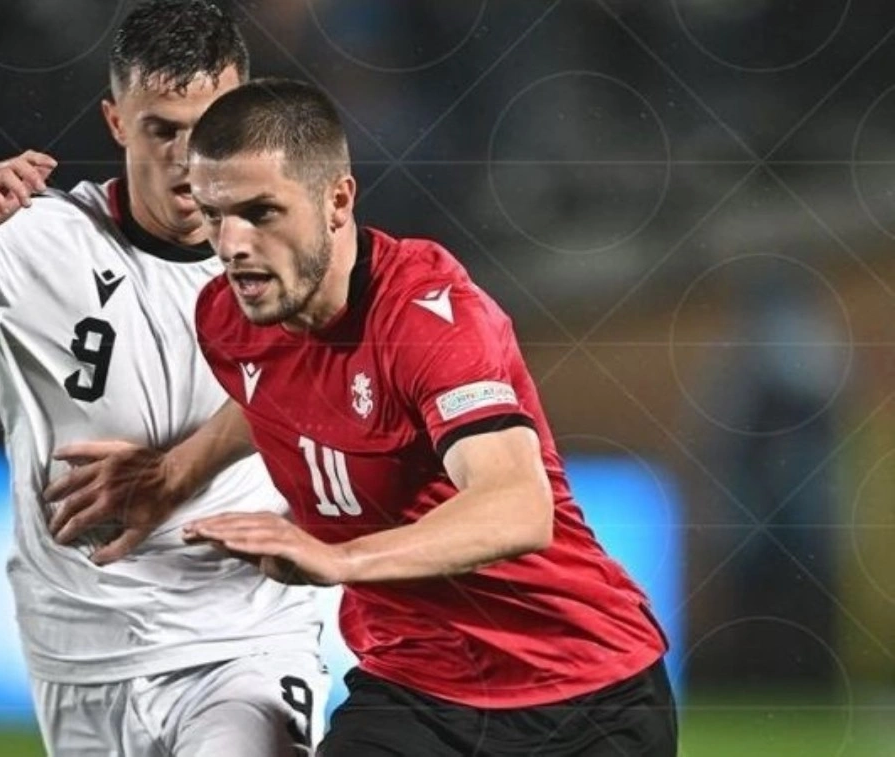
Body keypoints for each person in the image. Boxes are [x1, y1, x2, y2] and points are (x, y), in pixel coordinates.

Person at [0, 4, 328, 755]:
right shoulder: (36, 236)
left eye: (208, 128)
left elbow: (332, 379)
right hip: (79, 648)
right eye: (161, 130)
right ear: (116, 122)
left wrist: (179, 472)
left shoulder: (293, 250)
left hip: (242, 636)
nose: (187, 158)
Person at [180, 78, 678, 756]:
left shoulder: (427, 318)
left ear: (337, 201)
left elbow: (517, 505)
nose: (231, 243)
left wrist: (338, 558)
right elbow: (270, 390)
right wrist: (174, 471)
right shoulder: (227, 319)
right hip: (414, 685)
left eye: (261, 212)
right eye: (213, 214)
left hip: (579, 688)